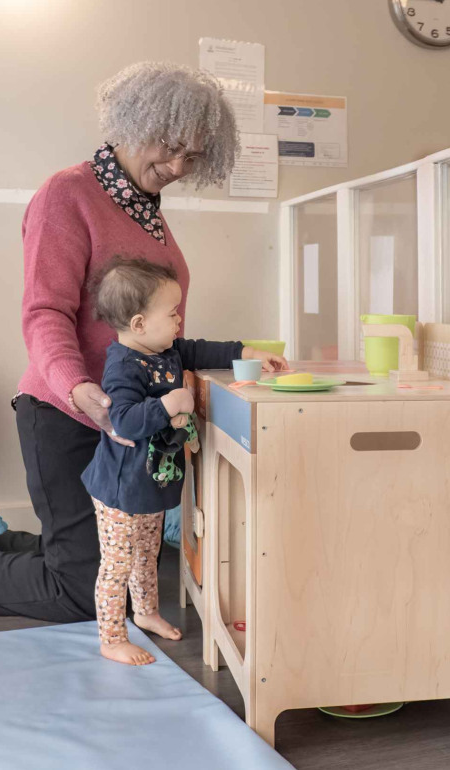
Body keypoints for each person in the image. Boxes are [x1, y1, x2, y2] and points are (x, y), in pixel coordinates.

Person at [0, 61, 278, 620]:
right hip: (65, 411)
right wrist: (77, 386)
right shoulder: (68, 195)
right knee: (84, 593)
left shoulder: (149, 214)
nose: (178, 165)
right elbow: (45, 312)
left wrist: (231, 355)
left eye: (194, 156)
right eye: (170, 145)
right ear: (137, 120)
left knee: (122, 570)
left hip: (126, 421)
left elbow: (160, 334)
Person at [81, 258, 284, 665]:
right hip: (119, 490)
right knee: (118, 564)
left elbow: (206, 349)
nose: (179, 321)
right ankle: (111, 636)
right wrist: (166, 404)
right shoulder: (123, 366)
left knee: (147, 554)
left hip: (150, 484)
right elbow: (122, 419)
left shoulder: (167, 350)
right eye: (172, 313)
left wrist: (249, 351)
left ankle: (146, 613)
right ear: (138, 324)